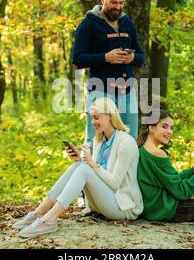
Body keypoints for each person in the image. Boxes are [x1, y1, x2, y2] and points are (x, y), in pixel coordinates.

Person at [13, 97, 143, 238]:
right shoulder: (99, 140)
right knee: (80, 166)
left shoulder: (126, 142)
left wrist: (91, 164)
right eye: (92, 118)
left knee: (84, 168)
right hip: (103, 203)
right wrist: (79, 161)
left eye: (96, 117)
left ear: (110, 116)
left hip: (122, 207)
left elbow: (114, 183)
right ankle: (39, 213)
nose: (93, 122)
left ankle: (49, 219)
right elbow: (95, 174)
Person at [72, 0, 145, 151]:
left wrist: (132, 58)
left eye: (121, 3)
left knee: (130, 142)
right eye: (113, 2)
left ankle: (124, 178)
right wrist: (106, 57)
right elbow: (77, 60)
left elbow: (141, 57)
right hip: (100, 91)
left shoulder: (127, 22)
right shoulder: (88, 24)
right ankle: (88, 176)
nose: (118, 7)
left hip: (127, 92)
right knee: (94, 142)